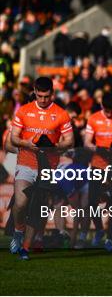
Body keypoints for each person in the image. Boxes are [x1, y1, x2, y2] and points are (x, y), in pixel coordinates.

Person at [10, 77, 74, 260]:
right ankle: (18, 230)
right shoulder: (24, 111)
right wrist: (26, 143)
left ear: (52, 94)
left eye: (46, 96)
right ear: (35, 92)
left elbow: (70, 141)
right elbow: (14, 138)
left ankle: (25, 249)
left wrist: (54, 147)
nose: (43, 100)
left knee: (37, 208)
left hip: (48, 167)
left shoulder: (61, 114)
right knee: (21, 203)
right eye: (40, 96)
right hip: (26, 162)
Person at [84, 92, 112, 252]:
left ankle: (110, 238)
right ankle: (99, 229)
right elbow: (87, 142)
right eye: (107, 110)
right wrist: (99, 149)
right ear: (102, 106)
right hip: (98, 164)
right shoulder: (94, 118)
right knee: (92, 202)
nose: (110, 113)